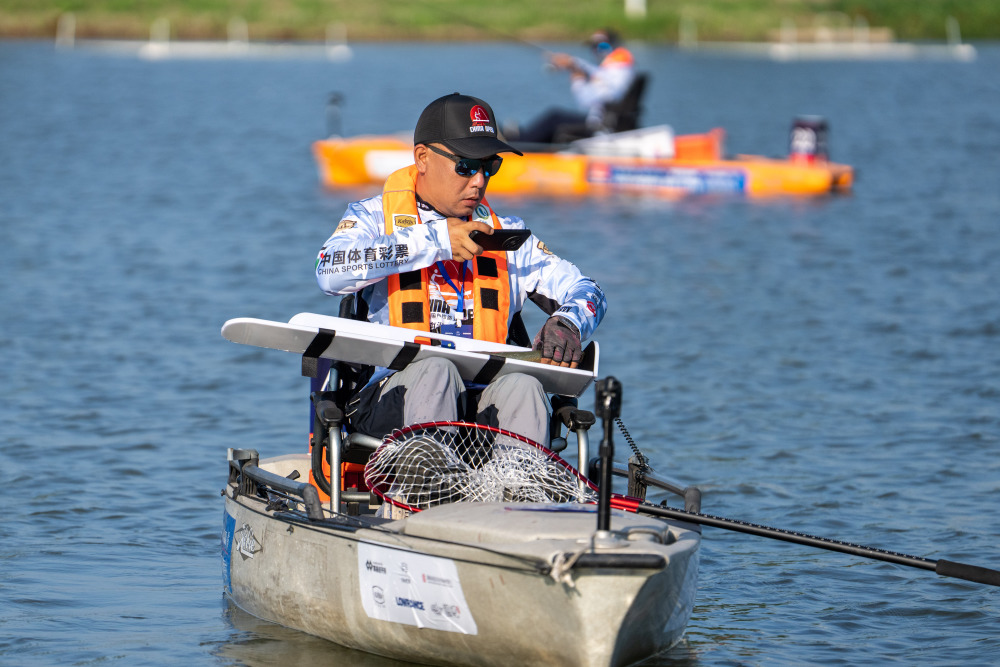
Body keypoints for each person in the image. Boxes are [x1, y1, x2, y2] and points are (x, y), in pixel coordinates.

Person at [315, 92, 606, 448]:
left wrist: (569, 322)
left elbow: (590, 291)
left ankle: (520, 494)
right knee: (437, 370)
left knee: (526, 386)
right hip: (392, 399)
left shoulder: (507, 234)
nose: (479, 180)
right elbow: (328, 270)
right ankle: (425, 490)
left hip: (484, 402)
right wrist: (435, 241)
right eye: (466, 166)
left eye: (489, 166)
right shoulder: (372, 217)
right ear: (422, 157)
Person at [510, 29, 636, 144]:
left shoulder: (620, 67)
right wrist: (574, 65)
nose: (597, 51)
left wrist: (577, 78)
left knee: (554, 118)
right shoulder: (615, 69)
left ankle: (519, 146)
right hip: (601, 123)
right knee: (553, 119)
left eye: (602, 46)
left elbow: (587, 100)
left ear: (613, 45)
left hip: (600, 128)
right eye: (594, 47)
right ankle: (521, 139)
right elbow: (599, 74)